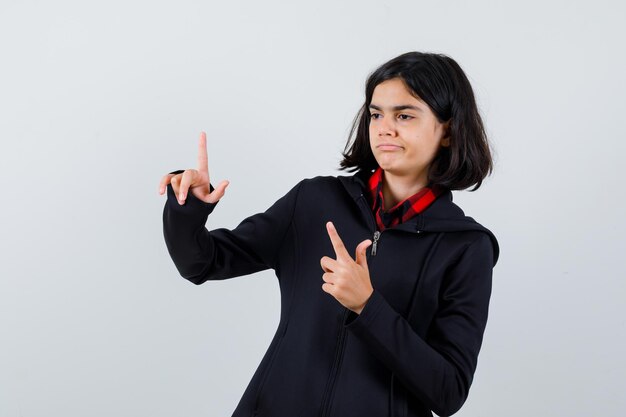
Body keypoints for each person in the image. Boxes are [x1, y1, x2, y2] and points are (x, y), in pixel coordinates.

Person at [158, 51, 500, 417]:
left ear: (447, 130)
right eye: (375, 114)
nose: (385, 127)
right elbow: (201, 263)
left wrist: (368, 307)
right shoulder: (314, 201)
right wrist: (188, 207)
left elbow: (448, 392)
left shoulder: (465, 246)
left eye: (404, 115)